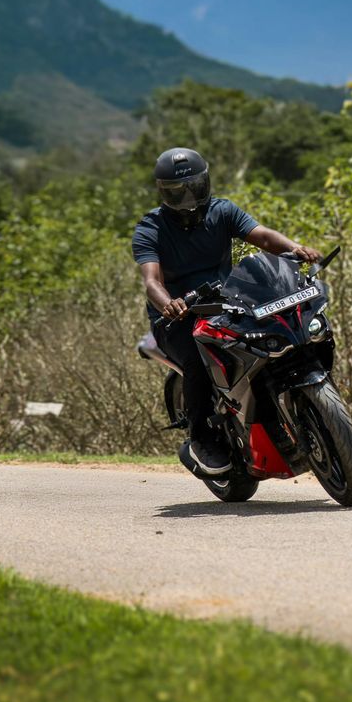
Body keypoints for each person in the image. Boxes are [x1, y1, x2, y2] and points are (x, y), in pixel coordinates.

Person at [134, 146, 321, 477]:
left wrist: (294, 248)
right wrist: (168, 304)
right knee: (197, 359)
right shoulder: (152, 227)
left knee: (273, 337)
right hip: (178, 317)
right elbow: (152, 280)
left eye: (194, 187)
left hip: (229, 302)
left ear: (206, 182)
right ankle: (201, 438)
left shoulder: (222, 211)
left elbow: (261, 236)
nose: (189, 198)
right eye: (178, 192)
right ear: (163, 192)